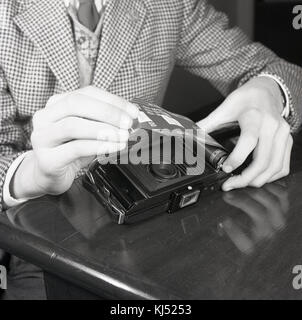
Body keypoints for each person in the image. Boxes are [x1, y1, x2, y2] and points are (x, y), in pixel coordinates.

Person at [0, 0, 301, 299]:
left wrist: (271, 91)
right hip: (41, 241)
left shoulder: (171, 4)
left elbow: (280, 71)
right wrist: (31, 175)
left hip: (149, 230)